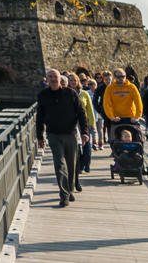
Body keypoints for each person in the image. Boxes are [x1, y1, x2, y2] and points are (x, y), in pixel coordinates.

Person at [37, 68, 90, 207]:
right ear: (47, 80)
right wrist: (40, 136)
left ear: (60, 79)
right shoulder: (43, 95)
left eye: (55, 76)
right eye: (50, 77)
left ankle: (70, 189)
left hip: (70, 133)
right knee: (59, 163)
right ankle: (64, 194)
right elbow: (39, 117)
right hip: (53, 134)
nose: (53, 79)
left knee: (71, 165)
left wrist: (85, 132)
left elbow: (81, 113)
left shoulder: (70, 93)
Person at [103, 68, 143, 140]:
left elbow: (138, 103)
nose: (121, 78)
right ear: (114, 77)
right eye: (119, 77)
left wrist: (137, 117)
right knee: (116, 139)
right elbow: (107, 104)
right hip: (117, 119)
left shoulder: (132, 87)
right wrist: (112, 117)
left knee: (135, 139)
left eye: (123, 76)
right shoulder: (110, 88)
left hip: (131, 118)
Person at [68, 74, 95, 181]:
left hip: (84, 122)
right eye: (70, 80)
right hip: (73, 123)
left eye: (74, 80)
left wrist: (92, 123)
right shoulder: (66, 93)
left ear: (78, 81)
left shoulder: (84, 93)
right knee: (77, 146)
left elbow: (90, 109)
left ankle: (87, 164)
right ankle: (80, 166)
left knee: (86, 145)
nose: (72, 82)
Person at [94, 71, 112, 143]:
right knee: (105, 125)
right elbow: (95, 100)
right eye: (106, 79)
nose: (108, 81)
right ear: (104, 79)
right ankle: (105, 138)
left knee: (112, 126)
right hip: (104, 110)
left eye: (109, 79)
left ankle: (111, 139)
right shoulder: (100, 88)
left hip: (114, 109)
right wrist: (99, 110)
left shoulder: (115, 87)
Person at [86, 78, 105, 149]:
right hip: (91, 113)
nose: (90, 86)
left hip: (99, 113)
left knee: (100, 129)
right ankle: (95, 143)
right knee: (93, 129)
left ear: (95, 84)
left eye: (92, 84)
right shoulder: (87, 93)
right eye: (89, 84)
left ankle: (101, 143)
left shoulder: (99, 92)